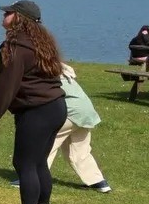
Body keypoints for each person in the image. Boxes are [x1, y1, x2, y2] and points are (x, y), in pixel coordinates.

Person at [0, 0, 67, 204]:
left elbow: (6, 84)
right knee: (39, 162)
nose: (4, 15)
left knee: (24, 164)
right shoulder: (43, 41)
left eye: (9, 13)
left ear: (19, 18)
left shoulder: (15, 45)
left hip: (38, 110)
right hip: (56, 107)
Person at [47, 64, 111, 193]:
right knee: (80, 151)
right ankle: (98, 182)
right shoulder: (65, 73)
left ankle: (31, 178)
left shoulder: (47, 75)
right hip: (86, 114)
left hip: (71, 113)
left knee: (44, 143)